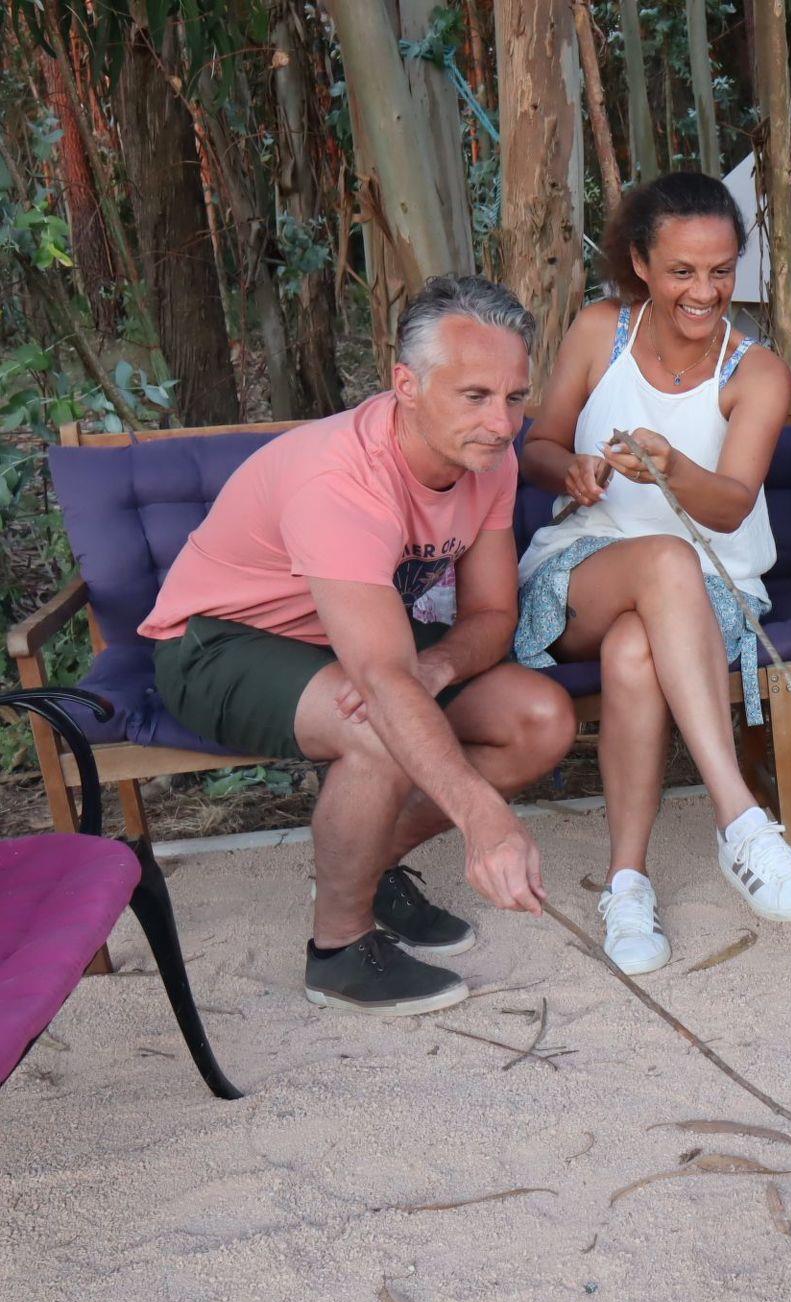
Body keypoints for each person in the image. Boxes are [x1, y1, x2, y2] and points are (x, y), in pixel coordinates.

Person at [141, 276, 577, 1015]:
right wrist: (484, 819)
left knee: (538, 718)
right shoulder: (341, 477)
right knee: (379, 728)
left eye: (514, 397)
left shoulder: (489, 459)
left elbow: (493, 613)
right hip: (217, 643)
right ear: (407, 385)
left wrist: (437, 664)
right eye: (475, 396)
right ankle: (339, 951)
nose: (502, 423)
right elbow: (379, 678)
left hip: (352, 635)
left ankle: (365, 872)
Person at [518, 171, 791, 976]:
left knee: (634, 649)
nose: (705, 291)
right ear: (640, 264)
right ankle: (741, 819)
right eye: (682, 270)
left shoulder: (755, 372)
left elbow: (729, 507)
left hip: (714, 587)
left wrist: (673, 468)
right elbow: (537, 445)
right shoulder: (600, 332)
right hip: (585, 567)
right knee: (660, 559)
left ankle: (626, 886)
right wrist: (571, 469)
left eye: (721, 270)